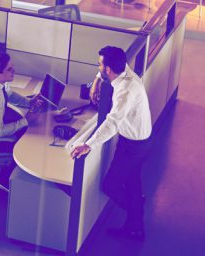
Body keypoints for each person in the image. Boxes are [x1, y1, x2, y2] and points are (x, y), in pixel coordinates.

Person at [66, 46, 152, 240]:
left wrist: (89, 144)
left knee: (110, 186)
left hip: (133, 146)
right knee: (132, 185)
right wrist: (97, 80)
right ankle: (135, 227)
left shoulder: (125, 92)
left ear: (109, 69)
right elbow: (108, 66)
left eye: (100, 65)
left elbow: (112, 122)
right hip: (138, 141)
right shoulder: (124, 71)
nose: (99, 67)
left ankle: (136, 214)